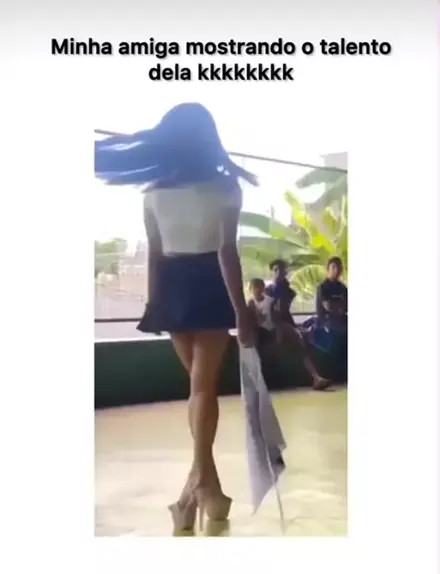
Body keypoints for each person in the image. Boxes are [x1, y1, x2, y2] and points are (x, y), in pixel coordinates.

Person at [95, 103, 258, 534]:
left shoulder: (152, 192)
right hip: (208, 283)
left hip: (171, 287)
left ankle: (194, 497)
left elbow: (155, 251)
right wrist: (241, 312)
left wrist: (154, 304)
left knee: (196, 388)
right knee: (203, 388)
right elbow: (227, 252)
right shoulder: (225, 188)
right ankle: (205, 487)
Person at [266, 259, 330, 390]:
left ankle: (315, 377)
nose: (278, 273)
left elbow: (282, 310)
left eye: (281, 270)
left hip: (283, 322)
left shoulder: (289, 291)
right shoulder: (267, 290)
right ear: (272, 271)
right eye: (276, 270)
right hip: (268, 322)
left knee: (301, 338)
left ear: (285, 273)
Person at [315, 256, 348, 382]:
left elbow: (346, 306)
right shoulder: (323, 287)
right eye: (333, 267)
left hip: (341, 319)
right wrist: (337, 307)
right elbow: (326, 307)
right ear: (328, 269)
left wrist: (338, 307)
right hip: (326, 321)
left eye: (339, 268)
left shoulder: (343, 288)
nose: (336, 270)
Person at [247, 278, 276, 345]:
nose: (258, 289)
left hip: (270, 331)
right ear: (250, 289)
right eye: (255, 287)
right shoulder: (250, 303)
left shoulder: (270, 301)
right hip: (256, 333)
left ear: (263, 288)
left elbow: (277, 319)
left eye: (260, 287)